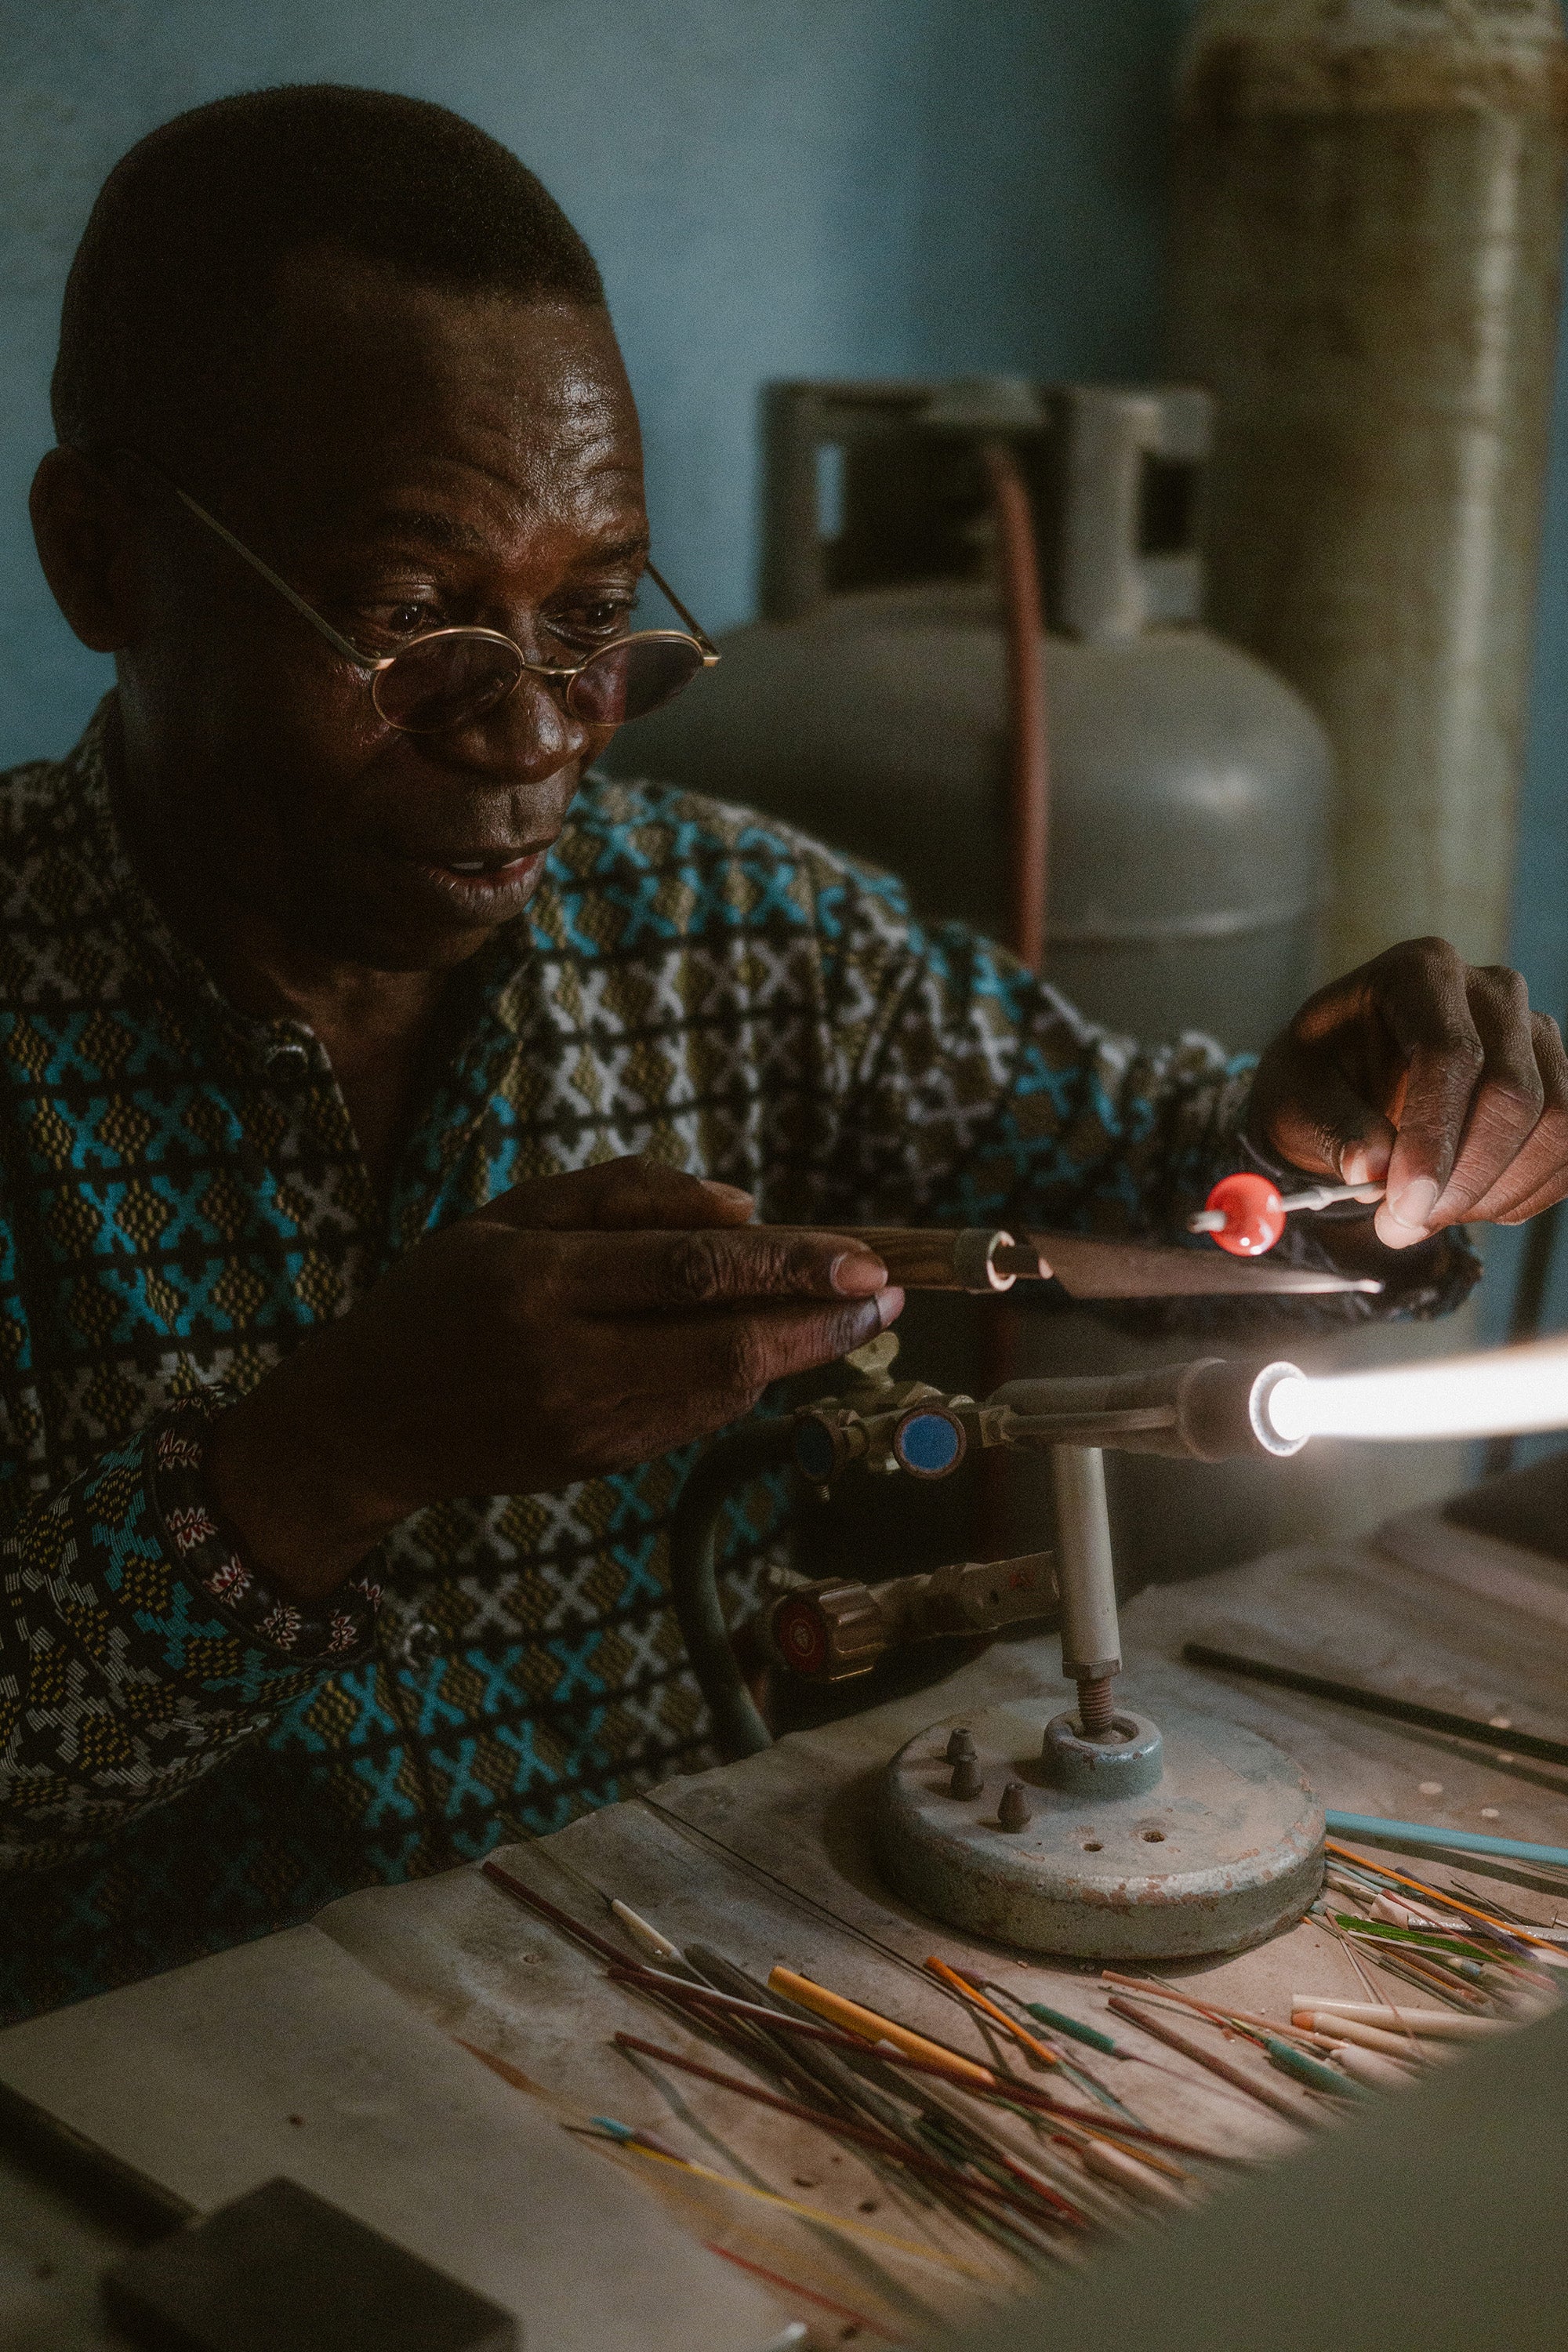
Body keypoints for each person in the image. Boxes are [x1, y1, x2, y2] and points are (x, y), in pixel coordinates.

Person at [2, 87, 1563, 2023]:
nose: (536, 737)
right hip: (129, 2110)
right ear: (104, 559)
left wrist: (1317, 1135)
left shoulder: (729, 927)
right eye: (412, 621)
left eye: (591, 621)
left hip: (697, 1993)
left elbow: (1134, 1171)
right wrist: (323, 1462)